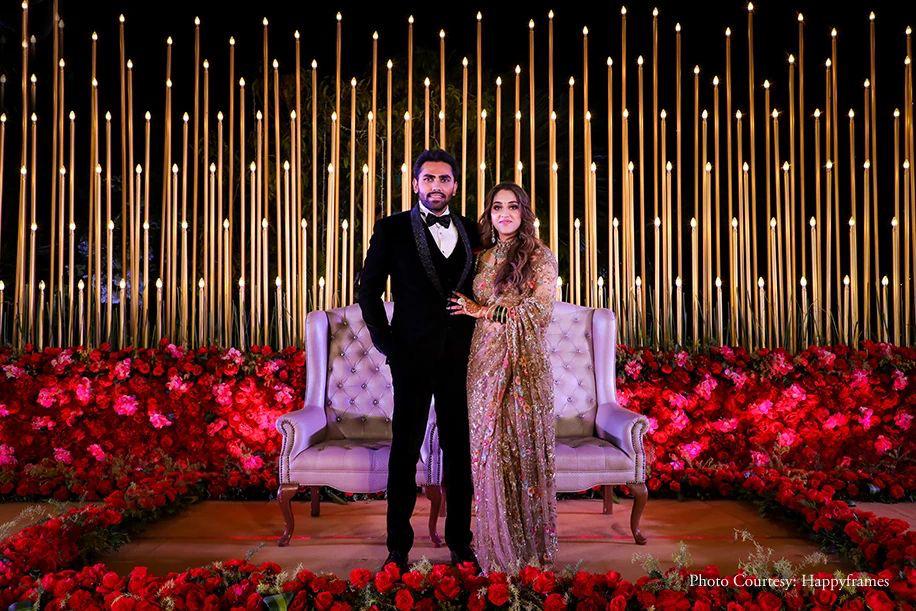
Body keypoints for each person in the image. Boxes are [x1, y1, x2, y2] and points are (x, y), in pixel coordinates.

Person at [357, 149, 481, 573]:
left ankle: (461, 543)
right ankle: (398, 548)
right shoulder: (391, 229)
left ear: (455, 186)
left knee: (459, 449)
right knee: (405, 449)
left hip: (461, 357)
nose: (436, 186)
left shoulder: (471, 230)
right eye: (428, 179)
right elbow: (368, 291)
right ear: (414, 184)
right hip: (409, 356)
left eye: (444, 179)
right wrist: (388, 345)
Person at [448, 181, 559, 573]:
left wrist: (482, 311)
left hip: (522, 364)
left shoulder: (539, 256)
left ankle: (523, 553)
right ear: (490, 214)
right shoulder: (482, 256)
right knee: (487, 452)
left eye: (513, 206)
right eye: (498, 207)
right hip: (481, 362)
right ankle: (491, 548)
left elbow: (539, 310)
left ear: (523, 212)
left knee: (514, 450)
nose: (505, 214)